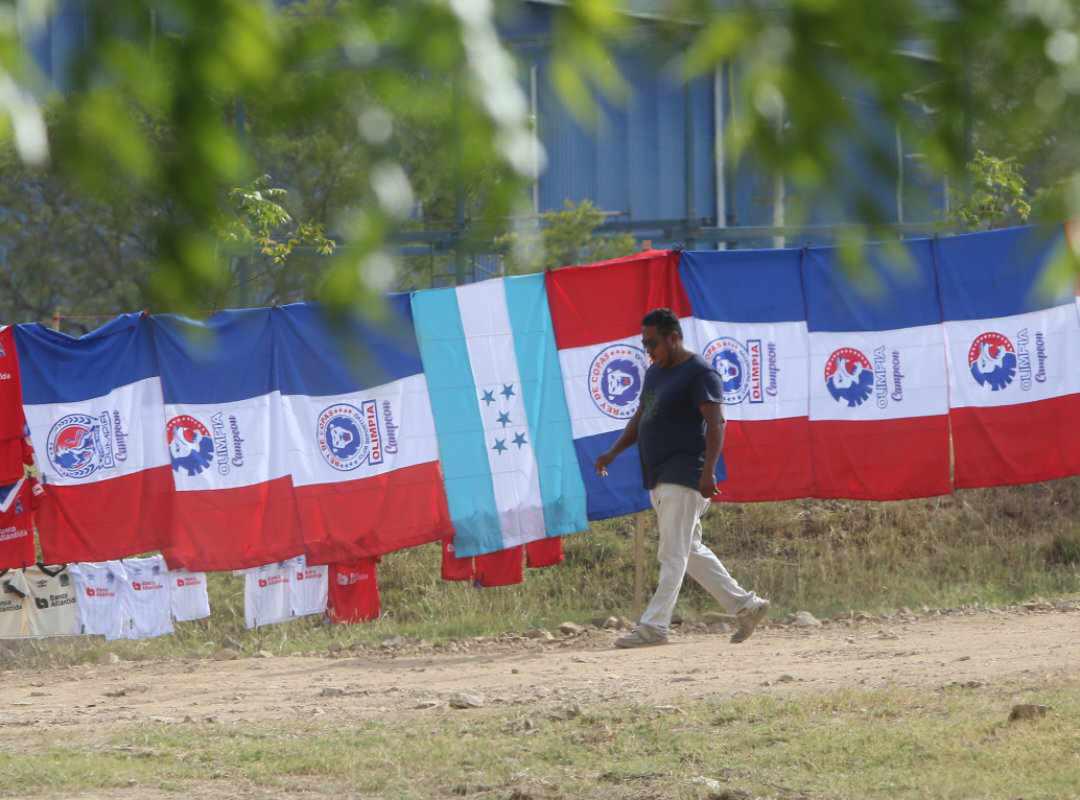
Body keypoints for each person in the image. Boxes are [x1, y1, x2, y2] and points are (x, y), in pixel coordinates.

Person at [595, 308, 769, 648]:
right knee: (689, 550)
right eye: (645, 344)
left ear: (674, 337)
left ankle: (653, 627)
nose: (649, 350)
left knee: (671, 555)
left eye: (654, 343)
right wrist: (613, 452)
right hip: (659, 474)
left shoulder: (700, 374)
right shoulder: (655, 374)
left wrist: (707, 473)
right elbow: (641, 416)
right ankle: (746, 606)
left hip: (685, 473)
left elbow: (717, 424)